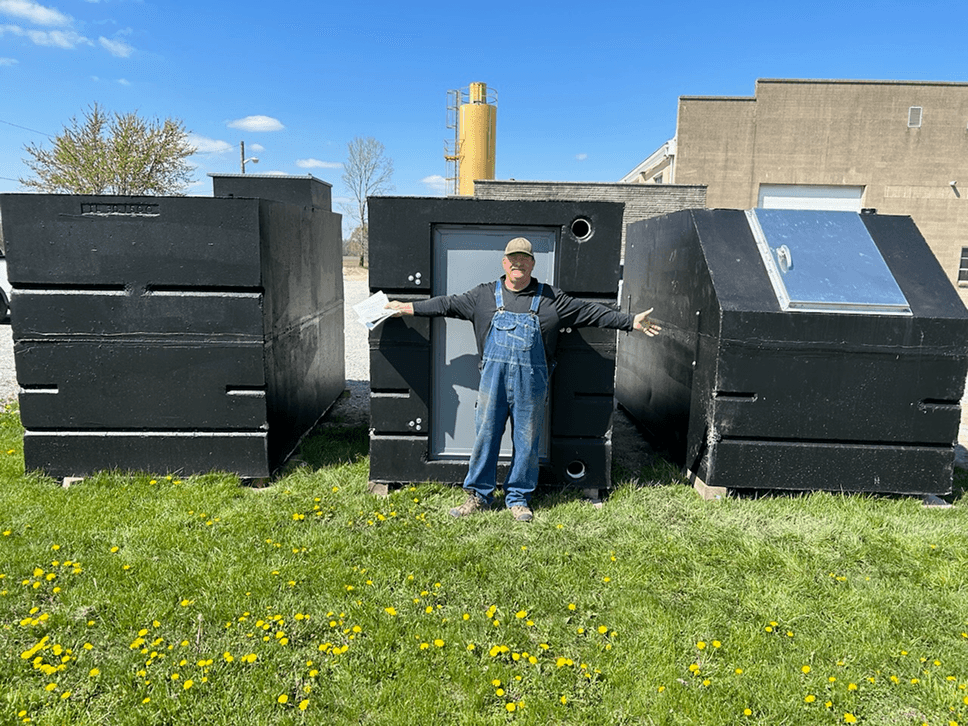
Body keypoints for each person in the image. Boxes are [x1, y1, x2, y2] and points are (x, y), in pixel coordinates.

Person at [385, 237, 660, 522]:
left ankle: (518, 498)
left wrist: (629, 321)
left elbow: (590, 312)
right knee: (485, 438)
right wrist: (405, 307)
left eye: (524, 258)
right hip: (492, 385)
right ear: (504, 263)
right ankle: (478, 495)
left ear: (532, 263)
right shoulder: (482, 296)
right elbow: (445, 304)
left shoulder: (552, 299)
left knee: (527, 443)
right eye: (513, 258)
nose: (518, 263)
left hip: (531, 385)